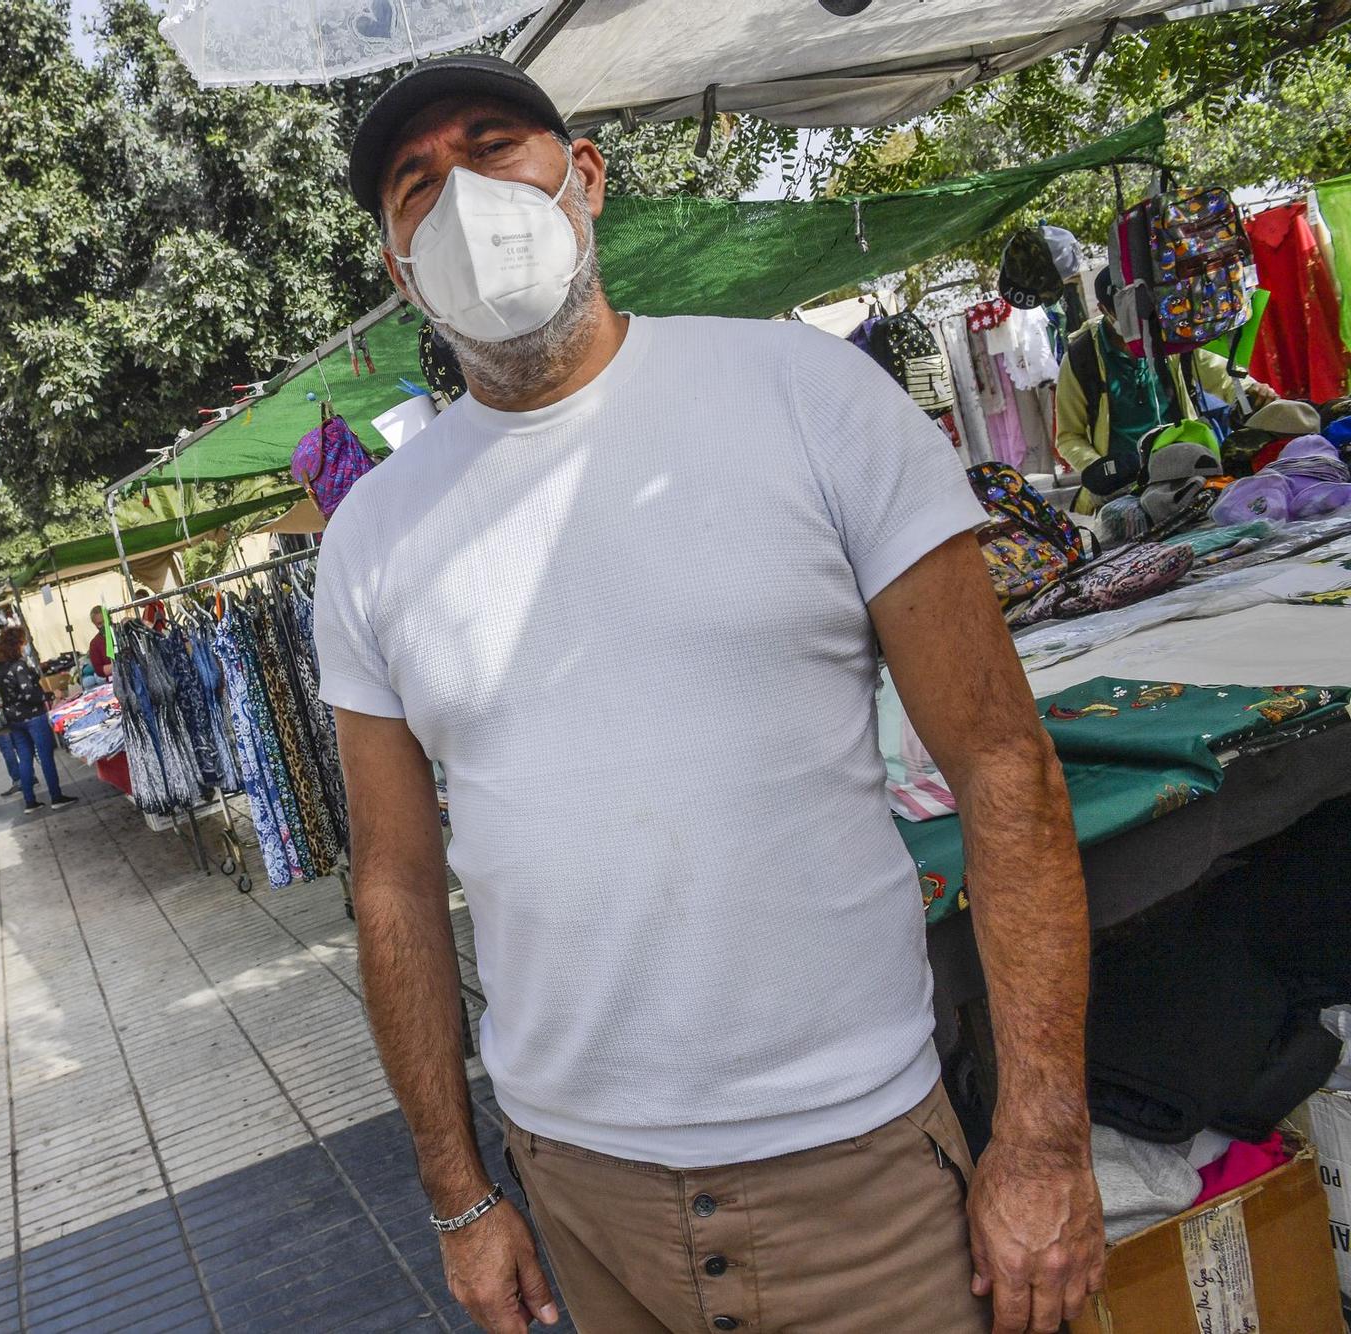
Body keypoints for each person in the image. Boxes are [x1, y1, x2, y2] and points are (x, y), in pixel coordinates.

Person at [318, 56, 1103, 1334]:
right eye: (415, 186)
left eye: (492, 148)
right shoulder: (371, 538)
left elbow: (1001, 765)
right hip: (579, 1194)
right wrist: (459, 1195)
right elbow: (393, 881)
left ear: (583, 180)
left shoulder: (806, 395)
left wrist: (1041, 1139)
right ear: (400, 268)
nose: (458, 195)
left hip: (859, 1176)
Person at [1056, 267, 1278, 510]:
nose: (1136, 324)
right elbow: (1068, 436)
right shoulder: (1081, 358)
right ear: (1104, 310)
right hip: (1122, 493)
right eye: (1125, 315)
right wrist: (1103, 469)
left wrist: (1250, 391)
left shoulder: (1168, 335)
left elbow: (1219, 374)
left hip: (1186, 472)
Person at [0, 626, 77, 812]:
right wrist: (51, 694)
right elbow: (29, 694)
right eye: (24, 641)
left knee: (25, 758)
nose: (26, 645)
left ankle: (30, 801)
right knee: (46, 756)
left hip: (13, 720)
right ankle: (56, 796)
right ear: (18, 644)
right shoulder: (18, 666)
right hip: (33, 717)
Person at [87, 606, 113, 680]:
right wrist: (119, 665)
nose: (104, 625)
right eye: (100, 624)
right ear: (95, 624)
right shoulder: (94, 644)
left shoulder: (122, 631)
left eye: (105, 621)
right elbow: (99, 670)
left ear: (109, 618)